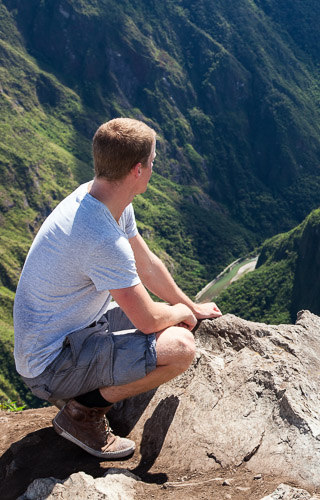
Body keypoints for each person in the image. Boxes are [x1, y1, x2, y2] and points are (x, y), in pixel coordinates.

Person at [13, 117, 222, 458]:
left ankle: (93, 390)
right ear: (137, 170)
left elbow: (148, 265)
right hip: (50, 365)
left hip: (73, 328)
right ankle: (82, 413)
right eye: (152, 163)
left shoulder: (102, 198)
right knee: (181, 347)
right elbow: (149, 322)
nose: (154, 168)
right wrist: (179, 314)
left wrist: (191, 305)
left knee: (177, 323)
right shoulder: (101, 237)